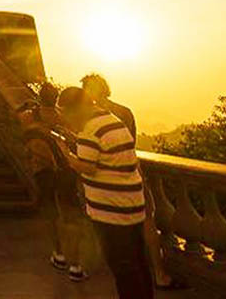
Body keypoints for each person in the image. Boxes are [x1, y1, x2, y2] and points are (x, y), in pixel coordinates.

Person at [82, 74, 187, 291]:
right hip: (130, 179)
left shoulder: (102, 117)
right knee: (140, 229)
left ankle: (154, 273)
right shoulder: (122, 112)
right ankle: (156, 274)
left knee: (138, 230)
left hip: (114, 185)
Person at [58, 86, 152, 299]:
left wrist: (65, 154)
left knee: (123, 268)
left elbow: (87, 166)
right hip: (132, 205)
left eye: (65, 113)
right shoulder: (110, 119)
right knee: (138, 263)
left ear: (76, 109)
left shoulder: (90, 130)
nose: (66, 119)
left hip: (111, 211)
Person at [19, 84, 85, 281]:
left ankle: (59, 253)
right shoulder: (62, 118)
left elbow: (25, 134)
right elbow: (75, 141)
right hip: (65, 170)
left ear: (40, 96)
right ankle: (76, 265)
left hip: (42, 170)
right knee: (70, 215)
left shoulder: (29, 116)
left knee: (51, 213)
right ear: (56, 98)